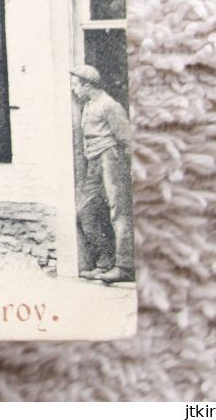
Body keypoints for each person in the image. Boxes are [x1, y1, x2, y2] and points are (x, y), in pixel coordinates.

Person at [71, 64, 135, 283]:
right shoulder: (88, 105)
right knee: (85, 209)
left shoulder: (109, 106)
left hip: (110, 158)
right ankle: (105, 262)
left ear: (87, 86)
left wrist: (126, 168)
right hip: (94, 161)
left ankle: (124, 266)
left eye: (76, 86)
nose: (74, 90)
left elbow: (125, 138)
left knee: (118, 211)